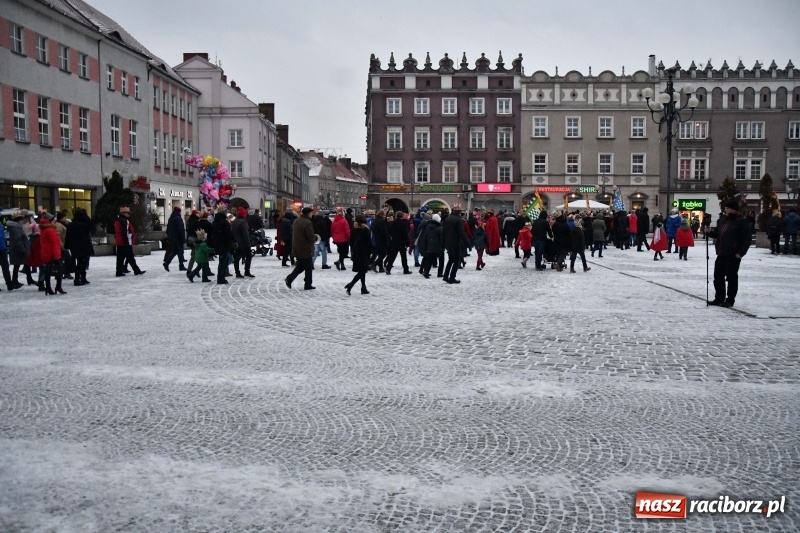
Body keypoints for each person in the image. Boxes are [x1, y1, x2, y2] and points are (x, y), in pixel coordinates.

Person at [705, 200, 751, 307]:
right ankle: (719, 298)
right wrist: (709, 232)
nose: (725, 210)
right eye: (725, 208)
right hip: (721, 253)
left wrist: (740, 253)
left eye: (727, 208)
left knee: (731, 278)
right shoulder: (722, 221)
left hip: (733, 255)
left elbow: (746, 239)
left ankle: (730, 300)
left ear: (734, 209)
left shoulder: (741, 222)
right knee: (718, 277)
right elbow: (717, 234)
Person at [285, 207, 316, 290]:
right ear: (308, 213)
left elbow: (291, 232)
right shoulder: (307, 223)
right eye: (311, 213)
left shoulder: (296, 221)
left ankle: (289, 279)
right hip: (305, 248)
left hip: (296, 247)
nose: (312, 214)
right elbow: (310, 236)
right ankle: (308, 284)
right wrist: (314, 238)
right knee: (308, 267)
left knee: (301, 266)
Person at [65, 207, 94, 286]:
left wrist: (67, 246)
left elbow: (67, 236)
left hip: (74, 246)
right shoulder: (84, 225)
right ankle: (79, 278)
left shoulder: (71, 225)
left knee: (79, 262)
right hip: (83, 246)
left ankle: (80, 278)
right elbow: (92, 226)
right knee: (82, 263)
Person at [344, 214, 372, 295]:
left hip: (356, 253)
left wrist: (353, 250)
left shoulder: (353, 229)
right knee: (362, 271)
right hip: (364, 253)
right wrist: (373, 251)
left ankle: (363, 287)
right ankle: (350, 285)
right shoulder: (365, 230)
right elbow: (369, 243)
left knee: (362, 271)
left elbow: (351, 242)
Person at [442, 208, 471, 284]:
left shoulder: (447, 219)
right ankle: (452, 277)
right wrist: (468, 243)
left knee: (450, 260)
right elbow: (461, 233)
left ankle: (445, 276)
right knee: (456, 261)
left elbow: (443, 232)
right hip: (455, 243)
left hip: (448, 243)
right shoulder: (458, 220)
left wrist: (443, 243)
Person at [114, 206, 145, 277]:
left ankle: (119, 271)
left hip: (119, 242)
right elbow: (125, 232)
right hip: (125, 242)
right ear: (124, 213)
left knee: (120, 258)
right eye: (128, 213)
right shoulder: (125, 221)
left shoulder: (118, 220)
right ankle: (136, 270)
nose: (128, 214)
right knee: (130, 257)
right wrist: (127, 242)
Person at [38, 215, 65, 295]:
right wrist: (57, 254)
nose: (55, 221)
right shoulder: (50, 230)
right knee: (59, 270)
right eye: (53, 220)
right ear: (50, 221)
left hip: (45, 252)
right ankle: (58, 286)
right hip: (52, 253)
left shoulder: (43, 229)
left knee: (47, 271)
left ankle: (48, 288)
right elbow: (54, 244)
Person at [5, 211, 30, 288]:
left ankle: (15, 280)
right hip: (18, 251)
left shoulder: (17, 228)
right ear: (18, 221)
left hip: (17, 250)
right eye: (21, 220)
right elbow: (18, 240)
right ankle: (15, 281)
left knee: (17, 265)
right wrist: (22, 250)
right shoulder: (16, 228)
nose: (22, 222)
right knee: (18, 265)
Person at [211, 206, 234, 284]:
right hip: (224, 244)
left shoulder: (215, 222)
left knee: (223, 261)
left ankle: (221, 277)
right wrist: (233, 240)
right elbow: (228, 234)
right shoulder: (224, 222)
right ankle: (220, 278)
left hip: (218, 244)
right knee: (223, 262)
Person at [419, 213, 444, 279]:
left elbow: (426, 237)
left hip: (429, 246)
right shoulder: (440, 228)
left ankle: (426, 272)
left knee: (429, 260)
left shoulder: (428, 227)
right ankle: (440, 273)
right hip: (439, 247)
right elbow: (441, 238)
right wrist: (443, 245)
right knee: (441, 260)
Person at [231, 207, 254, 278]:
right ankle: (247, 271)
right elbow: (245, 235)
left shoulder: (234, 221)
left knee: (237, 258)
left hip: (236, 242)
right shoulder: (243, 222)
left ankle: (237, 272)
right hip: (243, 243)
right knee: (248, 256)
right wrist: (248, 244)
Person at [163, 206, 187, 271]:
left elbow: (168, 229)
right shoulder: (178, 219)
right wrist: (183, 238)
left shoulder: (171, 218)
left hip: (172, 238)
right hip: (178, 238)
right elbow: (181, 229)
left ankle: (167, 263)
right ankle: (181, 266)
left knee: (175, 251)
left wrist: (170, 237)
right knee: (180, 252)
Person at [0, 217, 13, 291]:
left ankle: (9, 284)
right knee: (5, 268)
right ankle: (9, 284)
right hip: (2, 250)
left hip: (2, 249)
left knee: (5, 268)